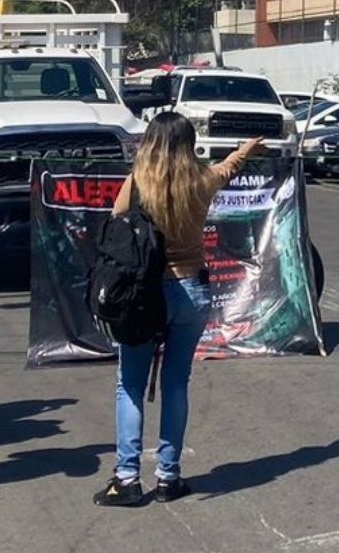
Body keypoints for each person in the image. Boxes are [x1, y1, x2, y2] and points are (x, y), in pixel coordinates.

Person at [94, 113, 263, 507]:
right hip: (192, 291)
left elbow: (116, 220)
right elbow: (227, 169)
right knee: (176, 383)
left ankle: (127, 478)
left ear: (151, 142)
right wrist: (246, 150)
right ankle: (169, 477)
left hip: (144, 294)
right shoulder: (201, 181)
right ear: (190, 145)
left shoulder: (138, 182)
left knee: (130, 384)